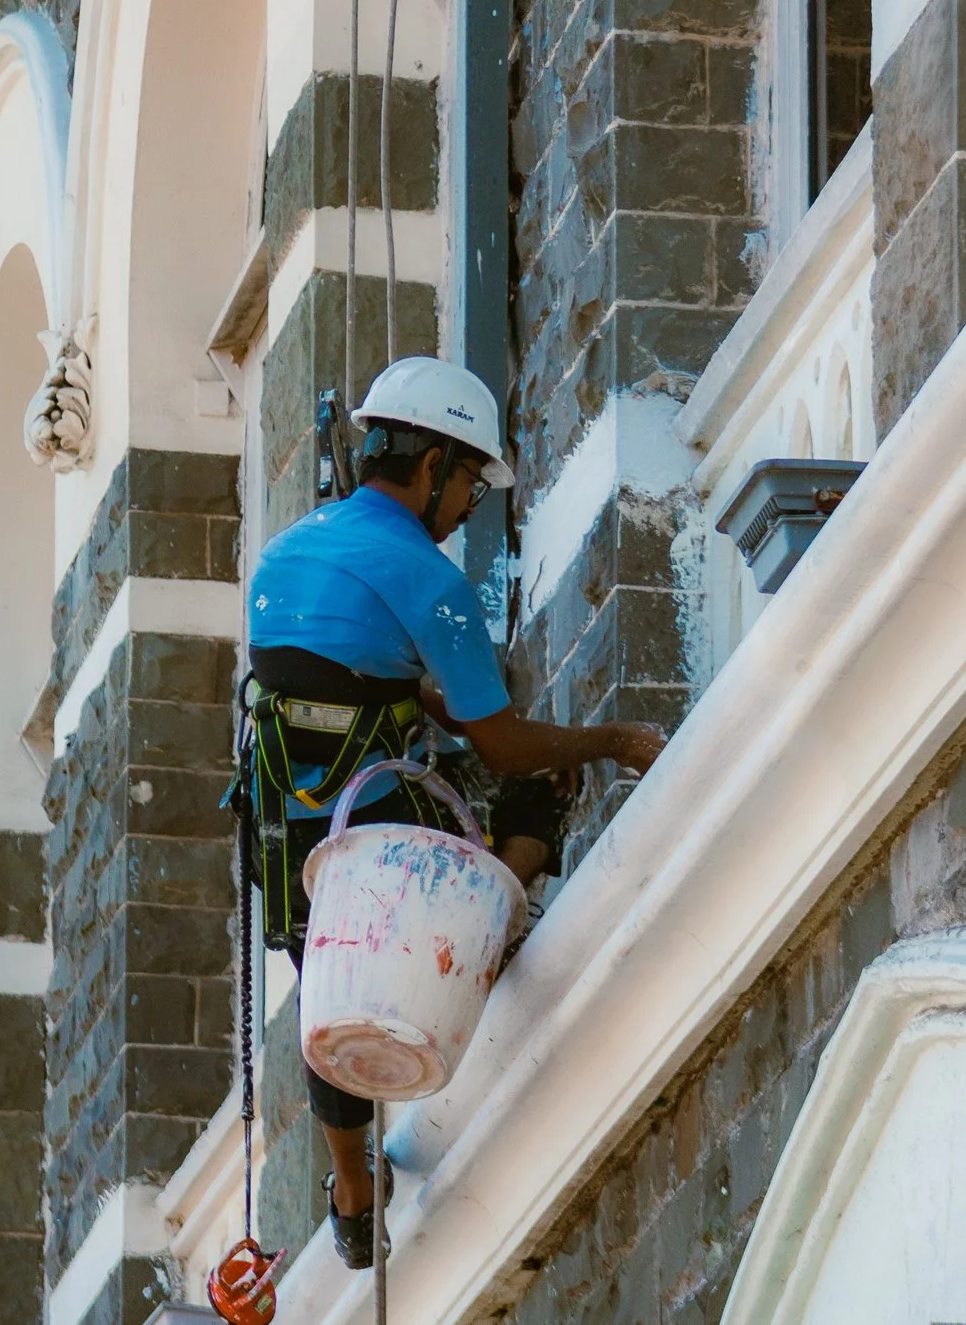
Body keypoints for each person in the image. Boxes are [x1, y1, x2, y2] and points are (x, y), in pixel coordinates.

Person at [240, 356, 666, 1269]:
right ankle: (486, 927)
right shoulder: (432, 582)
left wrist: (432, 705)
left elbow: (342, 682)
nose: (472, 502)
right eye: (470, 480)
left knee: (331, 982)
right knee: (536, 781)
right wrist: (610, 741)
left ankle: (352, 1184)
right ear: (432, 464)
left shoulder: (289, 552)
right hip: (380, 848)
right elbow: (507, 746)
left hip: (284, 833)